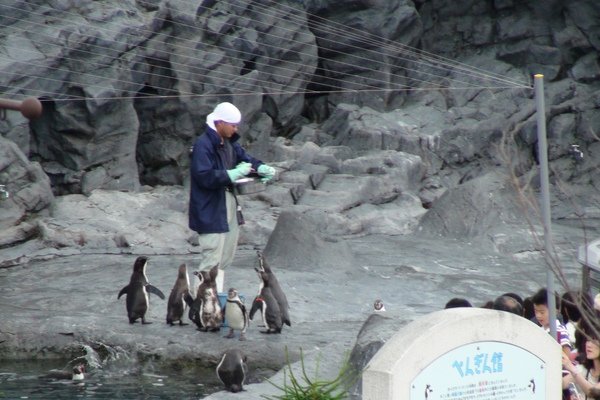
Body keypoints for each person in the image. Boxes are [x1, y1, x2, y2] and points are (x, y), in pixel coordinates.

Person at [188, 102, 276, 293]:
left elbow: (245, 159)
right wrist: (231, 174)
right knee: (212, 257)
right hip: (209, 207)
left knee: (225, 257)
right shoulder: (203, 145)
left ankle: (214, 300)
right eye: (233, 125)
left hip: (227, 202)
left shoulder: (227, 143)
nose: (236, 129)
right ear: (220, 123)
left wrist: (259, 168)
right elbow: (203, 176)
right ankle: (201, 304)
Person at [531, 288, 573, 356]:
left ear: (555, 311)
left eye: (542, 312)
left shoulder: (559, 331)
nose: (538, 316)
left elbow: (566, 354)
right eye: (536, 311)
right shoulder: (539, 329)